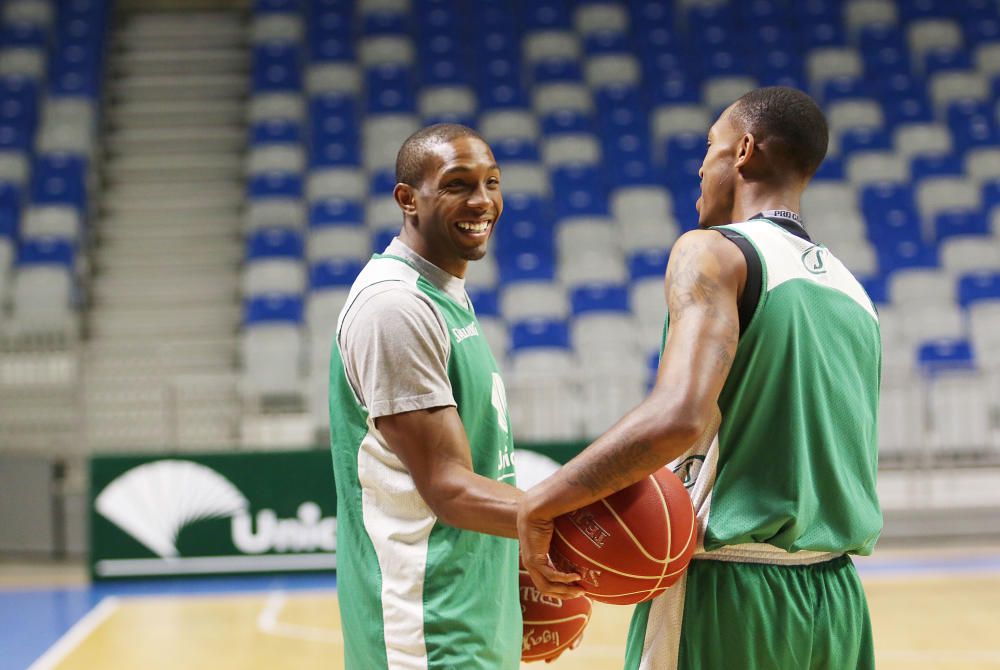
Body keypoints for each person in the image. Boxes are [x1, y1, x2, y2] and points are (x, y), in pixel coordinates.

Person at [517, 86, 883, 669]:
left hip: (730, 592)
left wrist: (542, 503)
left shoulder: (712, 252)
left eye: (708, 148)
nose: (699, 167)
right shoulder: (853, 292)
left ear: (743, 151)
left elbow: (677, 417)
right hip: (836, 600)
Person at [328, 124, 560, 669]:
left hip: (468, 619)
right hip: (427, 631)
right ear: (408, 199)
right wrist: (579, 523)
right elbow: (448, 488)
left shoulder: (441, 296)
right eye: (458, 185)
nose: (483, 201)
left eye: (493, 182)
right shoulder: (396, 308)